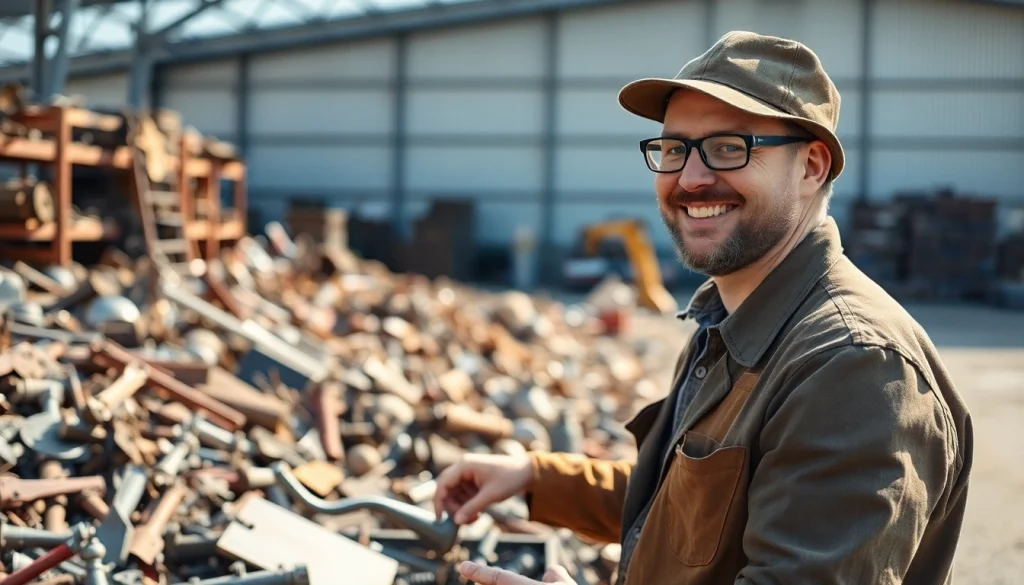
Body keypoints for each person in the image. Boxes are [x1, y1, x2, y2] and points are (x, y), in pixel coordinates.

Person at [435, 30, 973, 585]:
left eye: (729, 147)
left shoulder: (856, 368)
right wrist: (536, 479)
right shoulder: (728, 318)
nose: (690, 178)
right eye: (674, 149)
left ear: (811, 166)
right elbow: (689, 507)